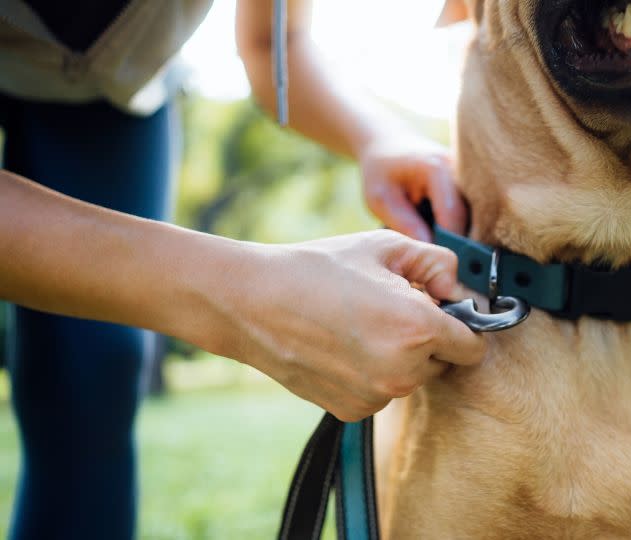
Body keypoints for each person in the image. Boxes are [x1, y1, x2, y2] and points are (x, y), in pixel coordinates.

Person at [0, 1, 485, 538]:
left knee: (93, 373)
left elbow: (275, 43)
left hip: (107, 92)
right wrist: (244, 295)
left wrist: (379, 138)